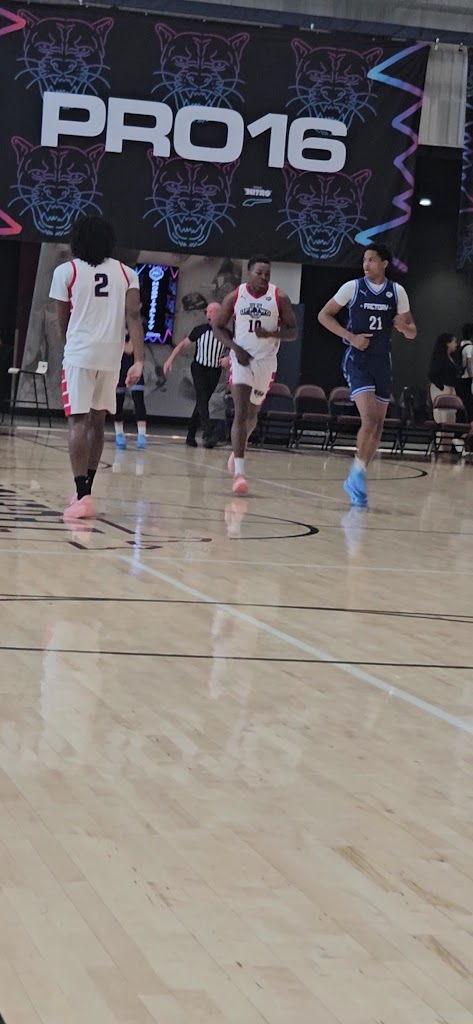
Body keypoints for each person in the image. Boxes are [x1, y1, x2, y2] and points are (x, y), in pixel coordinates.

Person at [49, 216, 144, 519]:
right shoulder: (127, 273)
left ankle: (81, 495)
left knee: (77, 421)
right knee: (97, 422)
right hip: (111, 356)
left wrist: (71, 346)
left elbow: (62, 321)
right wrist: (139, 360)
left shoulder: (66, 271)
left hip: (80, 353)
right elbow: (134, 317)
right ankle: (86, 490)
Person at [318, 244, 416, 507]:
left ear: (384, 263)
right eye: (364, 259)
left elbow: (412, 332)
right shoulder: (352, 287)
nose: (366, 264)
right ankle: (357, 474)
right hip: (357, 360)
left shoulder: (397, 291)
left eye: (372, 259)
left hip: (382, 362)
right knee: (370, 419)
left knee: (378, 426)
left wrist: (403, 326)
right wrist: (350, 337)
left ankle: (357, 473)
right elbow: (323, 315)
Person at [214, 255, 298, 495]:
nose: (263, 278)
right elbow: (218, 327)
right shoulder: (235, 296)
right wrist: (235, 348)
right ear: (249, 273)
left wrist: (272, 333)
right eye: (259, 273)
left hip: (266, 362)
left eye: (267, 274)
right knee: (241, 412)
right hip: (242, 360)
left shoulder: (279, 297)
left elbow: (293, 332)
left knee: (252, 414)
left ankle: (238, 449)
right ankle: (239, 474)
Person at [163, 302, 228, 448]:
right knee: (202, 398)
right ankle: (209, 433)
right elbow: (182, 345)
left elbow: (235, 350)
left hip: (214, 370)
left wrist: (229, 359)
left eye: (211, 312)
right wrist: (170, 360)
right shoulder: (200, 330)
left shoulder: (226, 334)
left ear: (219, 314)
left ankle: (191, 435)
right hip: (199, 368)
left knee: (202, 402)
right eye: (207, 312)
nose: (208, 314)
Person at [429, 332, 462, 451]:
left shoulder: (451, 358)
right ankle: (440, 448)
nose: (456, 344)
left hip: (450, 390)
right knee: (442, 419)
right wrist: (442, 387)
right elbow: (432, 374)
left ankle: (447, 449)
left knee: (451, 420)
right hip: (441, 390)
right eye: (454, 342)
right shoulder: (439, 358)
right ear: (447, 343)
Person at [114, 337, 147, 449]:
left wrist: (114, 342)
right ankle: (119, 434)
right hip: (117, 366)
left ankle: (142, 435)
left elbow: (130, 348)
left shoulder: (136, 328)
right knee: (118, 401)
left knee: (138, 400)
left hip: (133, 366)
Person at [457, 322, 473, 423]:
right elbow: (469, 364)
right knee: (469, 405)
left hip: (459, 379)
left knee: (462, 404)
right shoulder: (470, 348)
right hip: (467, 380)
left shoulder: (460, 346)